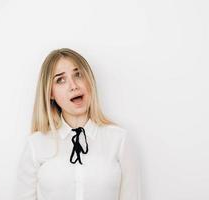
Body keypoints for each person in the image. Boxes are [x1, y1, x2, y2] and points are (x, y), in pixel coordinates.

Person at [14, 48, 142, 200]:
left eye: (78, 75)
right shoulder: (35, 144)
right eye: (60, 80)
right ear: (50, 93)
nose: (73, 85)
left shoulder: (119, 140)